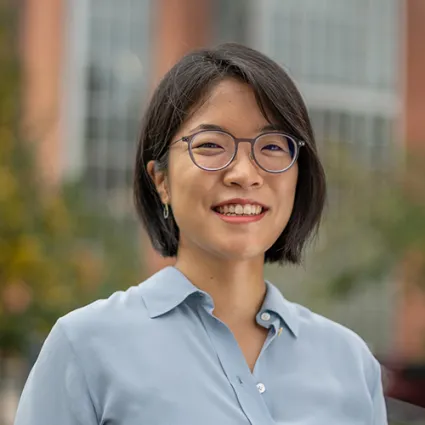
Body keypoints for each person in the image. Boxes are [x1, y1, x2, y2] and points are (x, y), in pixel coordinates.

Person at [14, 43, 387, 424]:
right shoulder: (86, 346)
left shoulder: (350, 363)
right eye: (210, 145)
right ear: (161, 180)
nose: (243, 173)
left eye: (272, 146)